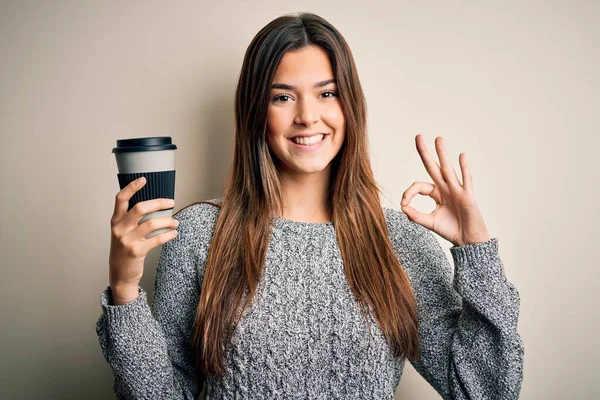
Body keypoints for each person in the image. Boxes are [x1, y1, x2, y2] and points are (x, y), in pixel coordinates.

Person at [96, 12, 524, 400]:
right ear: (256, 113)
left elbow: (486, 391)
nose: (307, 116)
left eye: (327, 93)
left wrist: (476, 247)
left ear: (350, 105)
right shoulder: (198, 233)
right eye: (282, 97)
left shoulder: (399, 241)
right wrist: (124, 288)